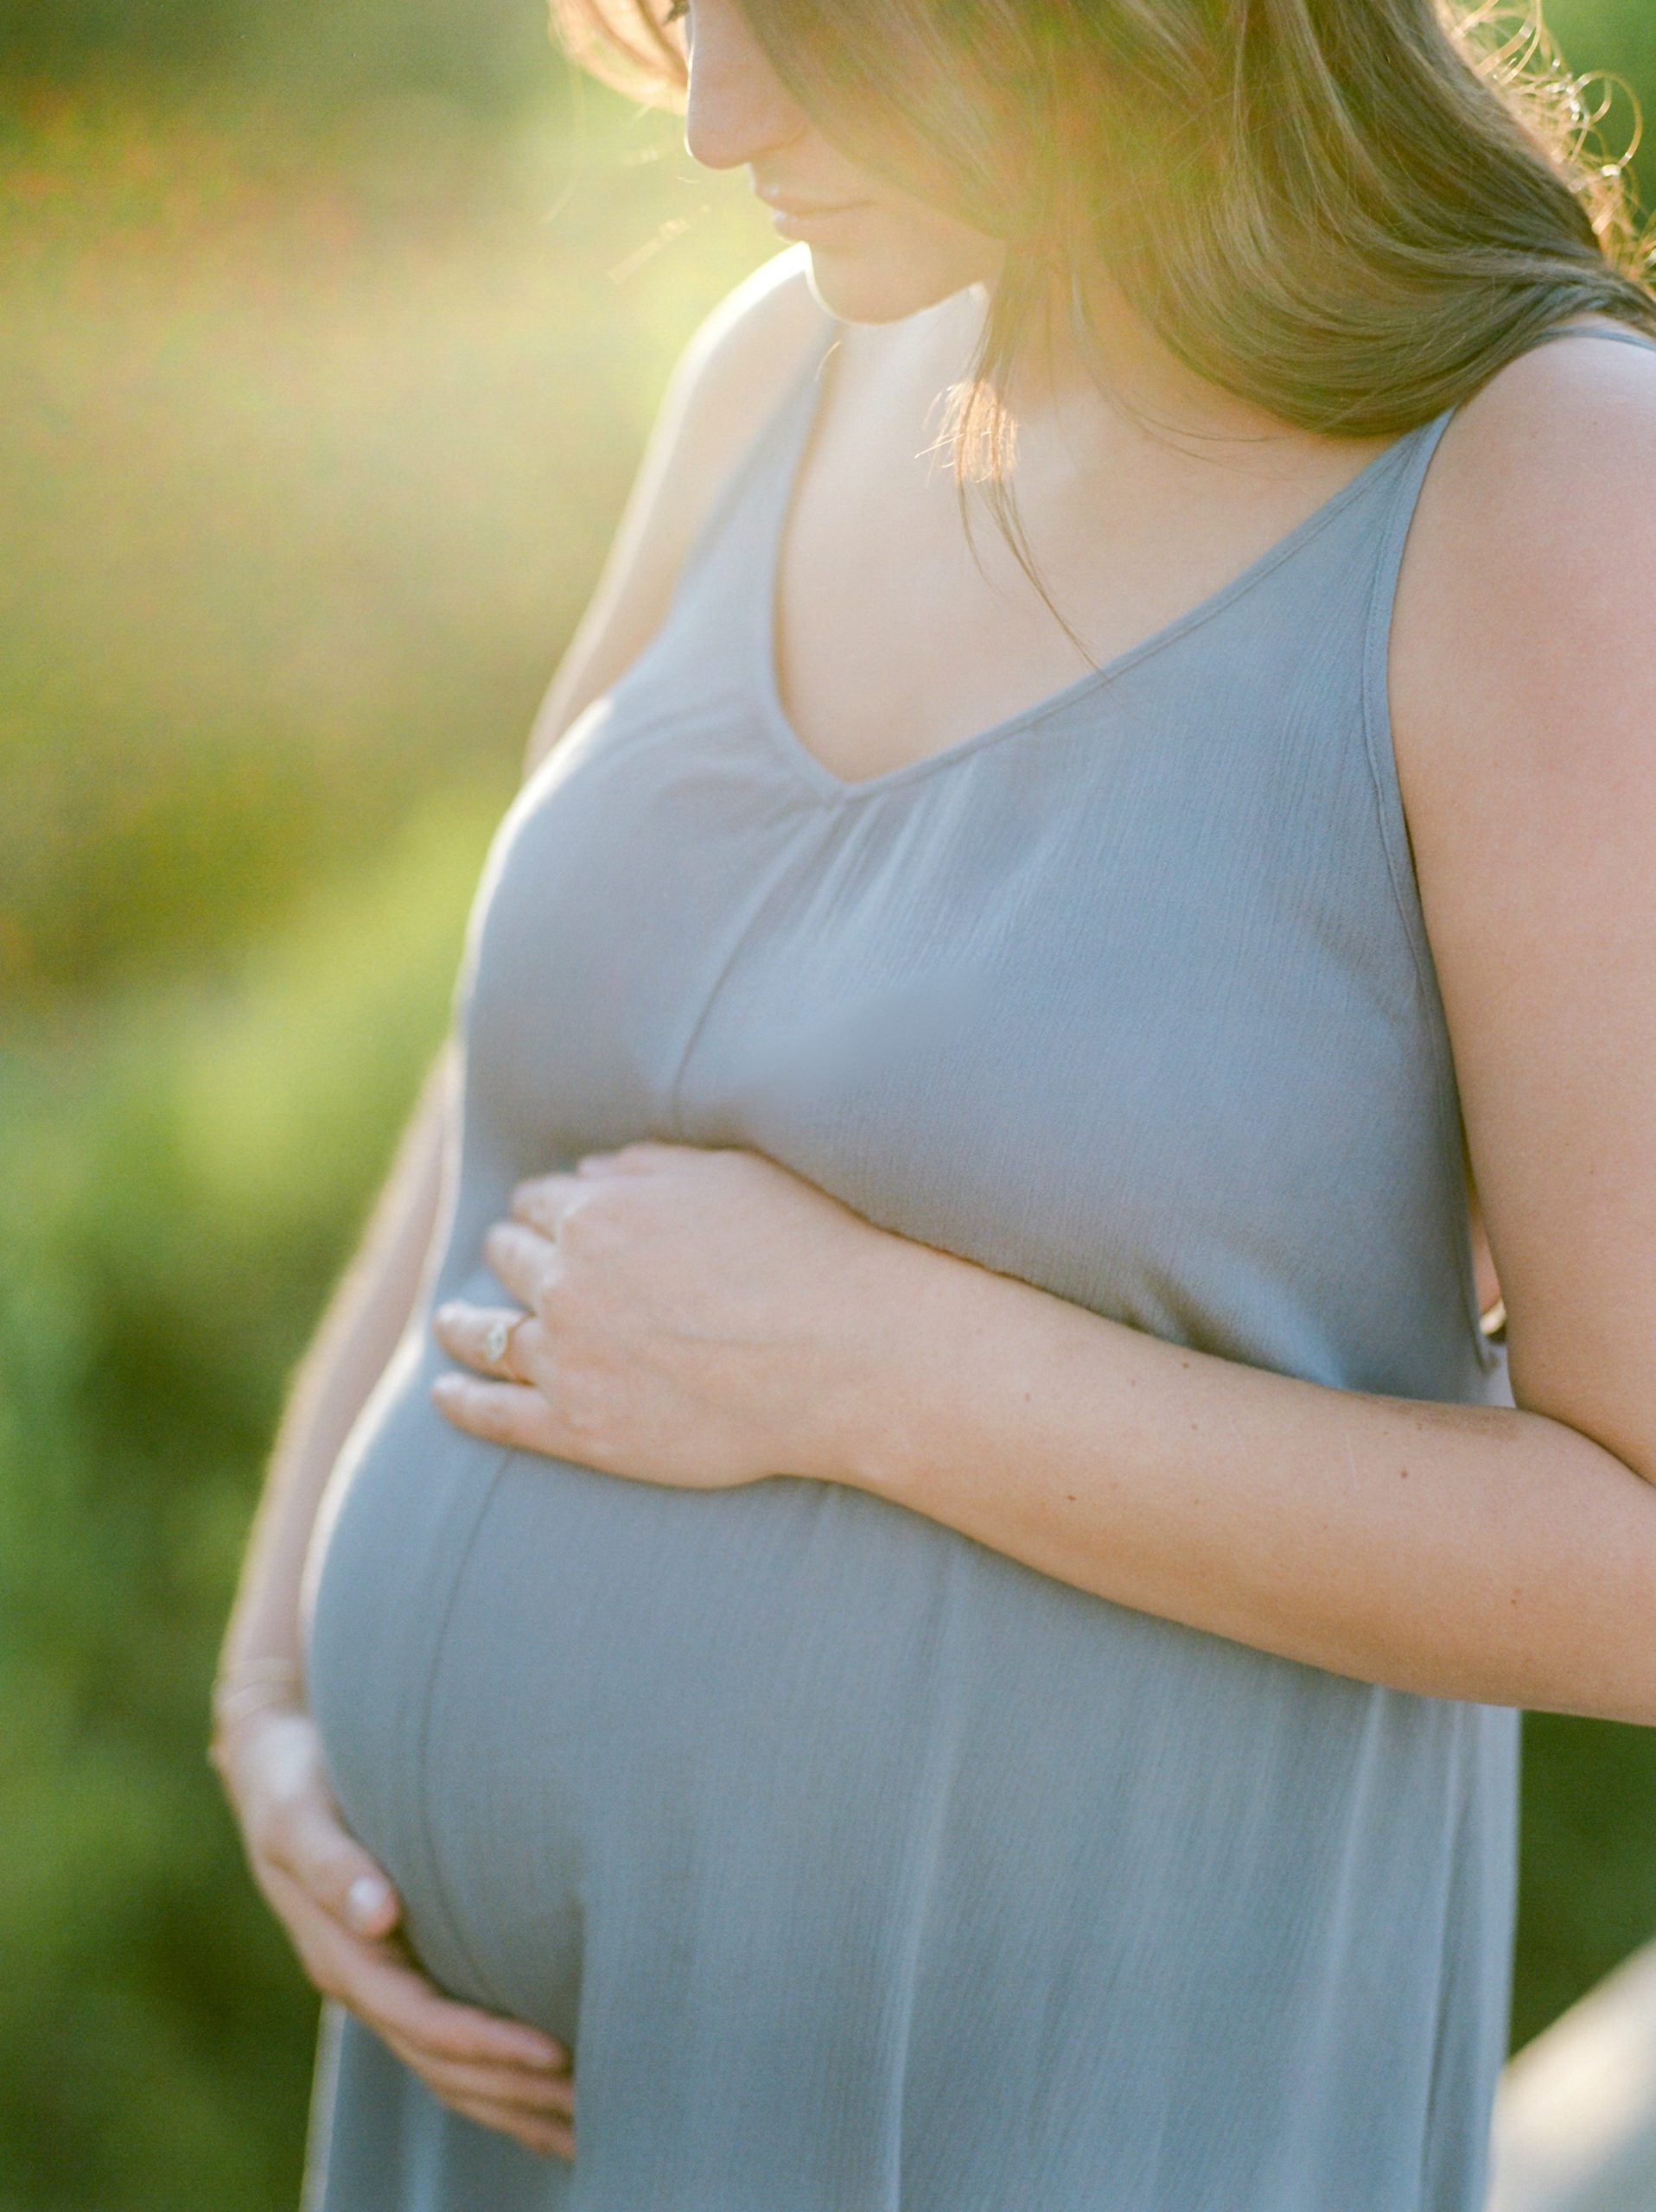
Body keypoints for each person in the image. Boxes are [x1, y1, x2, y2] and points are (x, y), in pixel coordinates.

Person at [211, 0, 1656, 2204]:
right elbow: (501, 1066)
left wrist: (874, 1366)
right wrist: (274, 1677)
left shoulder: (1549, 492)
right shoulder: (784, 361)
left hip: (1059, 2110)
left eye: (799, 20)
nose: (709, 120)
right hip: (483, 2116)